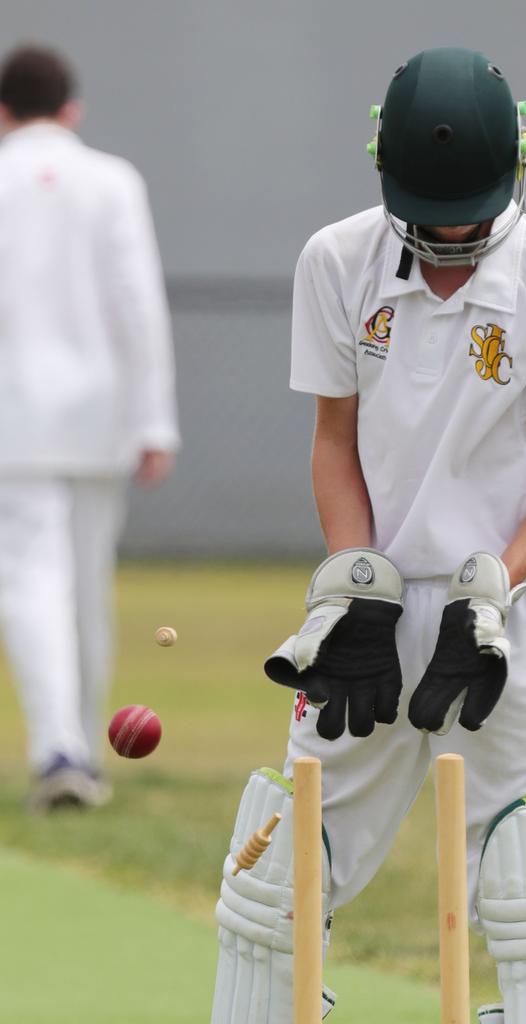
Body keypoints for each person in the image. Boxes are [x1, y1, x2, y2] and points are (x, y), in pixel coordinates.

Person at [212, 47, 526, 1023]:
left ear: (517, 168)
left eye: (469, 222)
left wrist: (495, 586)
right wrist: (354, 584)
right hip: (374, 607)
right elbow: (334, 440)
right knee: (281, 877)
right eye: (430, 222)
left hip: (505, 612)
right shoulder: (336, 260)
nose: (450, 241)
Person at [0, 45, 179, 811]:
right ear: (71, 109)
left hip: (12, 414)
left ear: (3, 112)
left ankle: (60, 751)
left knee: (32, 578)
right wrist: (154, 420)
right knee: (83, 582)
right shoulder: (112, 180)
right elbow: (138, 303)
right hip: (101, 413)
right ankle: (80, 753)